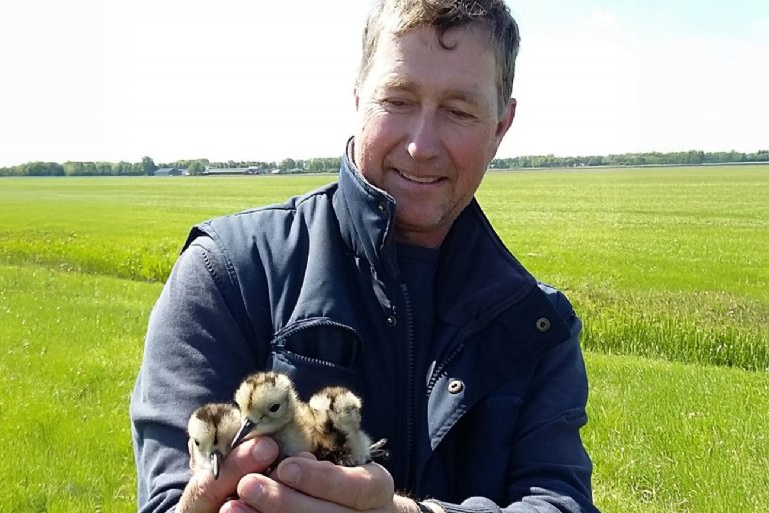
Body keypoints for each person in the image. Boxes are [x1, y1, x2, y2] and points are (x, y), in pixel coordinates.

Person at [130, 1, 600, 512]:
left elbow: (559, 502)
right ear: (358, 97)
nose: (421, 145)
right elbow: (169, 497)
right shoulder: (230, 272)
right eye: (397, 100)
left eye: (459, 111)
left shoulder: (535, 325)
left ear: (501, 126)